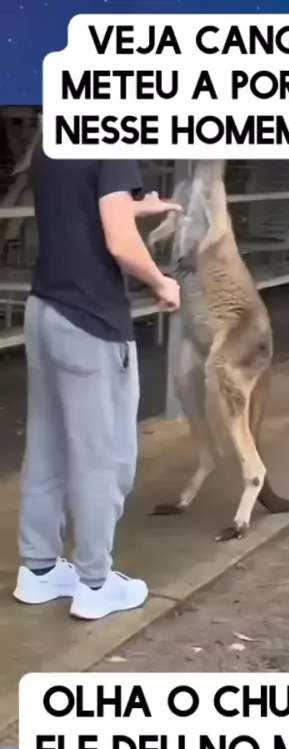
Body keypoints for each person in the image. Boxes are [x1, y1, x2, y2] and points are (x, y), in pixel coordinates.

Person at [13, 150, 181, 620]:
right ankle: (94, 583)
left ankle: (40, 570)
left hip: (44, 311)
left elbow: (75, 206)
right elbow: (121, 244)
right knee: (103, 457)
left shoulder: (53, 137)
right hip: (91, 321)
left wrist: (132, 207)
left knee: (47, 447)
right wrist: (161, 282)